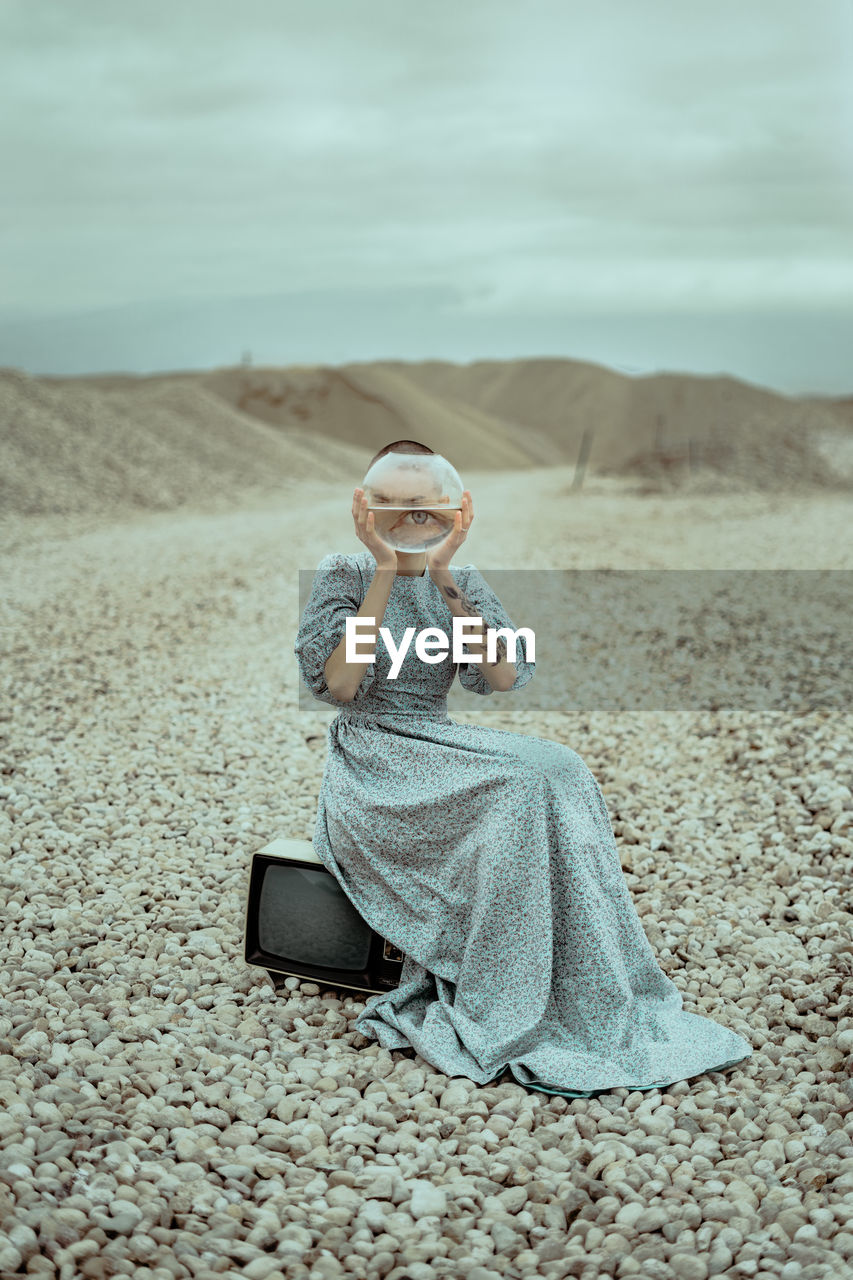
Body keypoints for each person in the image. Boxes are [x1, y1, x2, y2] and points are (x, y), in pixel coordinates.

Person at [294, 441, 753, 1097]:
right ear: (367, 508)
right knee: (520, 781)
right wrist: (382, 572)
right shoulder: (342, 573)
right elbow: (339, 686)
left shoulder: (463, 579)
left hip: (436, 738)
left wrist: (445, 576)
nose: (406, 517)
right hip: (375, 761)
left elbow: (502, 675)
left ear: (448, 509)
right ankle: (503, 987)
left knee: (557, 766)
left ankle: (579, 973)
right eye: (390, 504)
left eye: (421, 505)